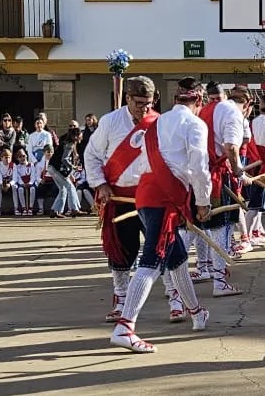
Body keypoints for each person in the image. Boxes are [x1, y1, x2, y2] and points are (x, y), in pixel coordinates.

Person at [111, 78, 212, 352]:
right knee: (152, 262)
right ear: (199, 102)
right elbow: (199, 166)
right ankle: (125, 326)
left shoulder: (156, 124)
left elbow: (142, 162)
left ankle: (196, 312)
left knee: (176, 258)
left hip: (145, 195)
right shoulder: (195, 125)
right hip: (164, 200)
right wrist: (203, 202)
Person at [85, 75, 164, 323]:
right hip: (120, 195)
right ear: (127, 98)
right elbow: (92, 155)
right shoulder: (110, 122)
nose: (144, 108)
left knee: (163, 249)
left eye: (149, 103)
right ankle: (120, 298)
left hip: (152, 196)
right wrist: (101, 184)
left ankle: (176, 298)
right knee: (121, 250)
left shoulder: (159, 123)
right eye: (139, 102)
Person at [197, 82, 244, 297]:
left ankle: (178, 285)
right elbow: (231, 147)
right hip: (218, 175)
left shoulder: (201, 111)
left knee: (194, 226)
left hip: (200, 174)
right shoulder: (230, 110)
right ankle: (219, 281)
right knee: (221, 228)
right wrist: (237, 171)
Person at [237, 85, 265, 249]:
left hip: (249, 165)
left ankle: (255, 231)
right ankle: (246, 235)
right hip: (262, 168)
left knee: (257, 203)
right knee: (255, 205)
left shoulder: (251, 123)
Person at [48, 124, 84, 215]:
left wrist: (70, 174)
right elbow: (64, 159)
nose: (81, 137)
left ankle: (55, 210)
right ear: (76, 136)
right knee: (70, 187)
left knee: (63, 189)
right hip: (56, 168)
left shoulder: (67, 143)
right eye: (80, 135)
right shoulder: (70, 145)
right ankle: (74, 209)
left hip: (52, 167)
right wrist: (73, 167)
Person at [10, 145, 35, 216]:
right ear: (17, 158)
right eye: (20, 157)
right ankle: (24, 208)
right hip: (22, 183)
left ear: (26, 156)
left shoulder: (31, 165)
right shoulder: (17, 167)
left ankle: (30, 208)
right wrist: (22, 184)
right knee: (20, 190)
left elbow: (33, 175)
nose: (22, 158)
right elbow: (17, 177)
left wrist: (30, 183)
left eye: (23, 156)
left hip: (30, 182)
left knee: (33, 189)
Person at [0, 147, 16, 215]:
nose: (7, 159)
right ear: (1, 158)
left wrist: (9, 184)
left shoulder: (13, 165)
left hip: (10, 184)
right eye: (6, 157)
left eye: (9, 157)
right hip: (2, 183)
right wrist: (3, 185)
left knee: (15, 187)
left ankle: (16, 208)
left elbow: (15, 179)